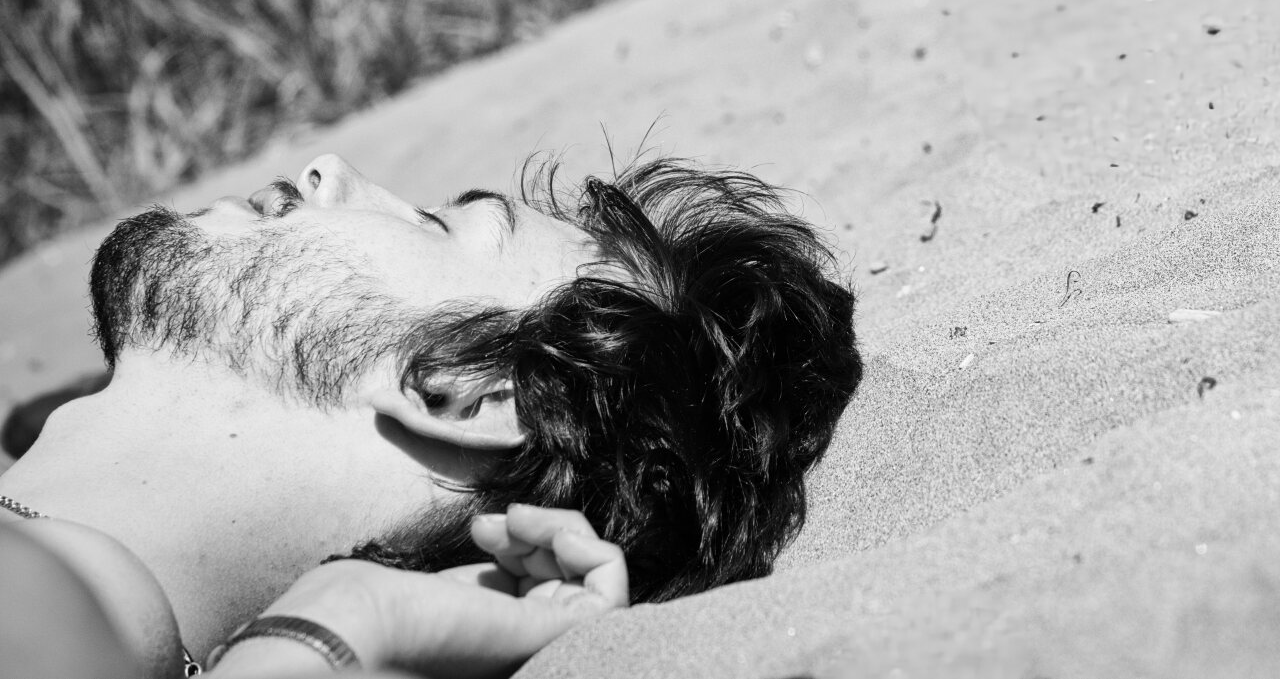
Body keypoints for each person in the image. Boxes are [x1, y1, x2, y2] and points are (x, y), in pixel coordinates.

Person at [0, 152, 864, 675]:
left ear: (460, 390)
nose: (327, 170)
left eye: (432, 222)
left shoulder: (53, 612)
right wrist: (329, 633)